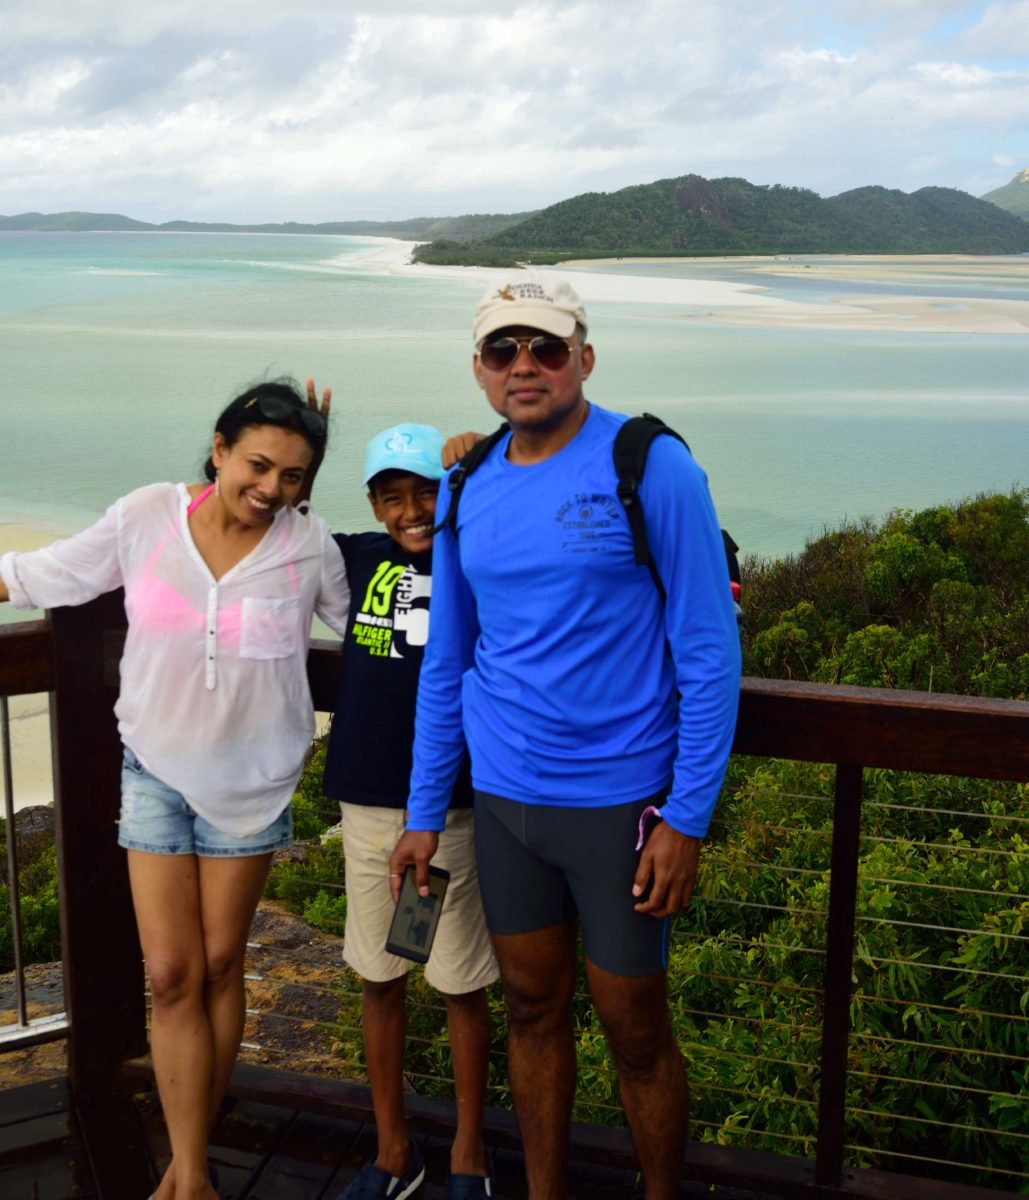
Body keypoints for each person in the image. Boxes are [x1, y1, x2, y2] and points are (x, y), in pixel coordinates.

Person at [389, 273, 741, 1200]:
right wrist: (425, 812)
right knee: (533, 1012)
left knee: (635, 1028)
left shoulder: (647, 462)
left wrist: (687, 817)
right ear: (479, 370)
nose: (526, 366)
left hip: (622, 806)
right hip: (507, 804)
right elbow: (448, 660)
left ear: (583, 357)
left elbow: (708, 651)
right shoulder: (464, 484)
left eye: (546, 348)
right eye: (504, 351)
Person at [0, 380, 349, 1200]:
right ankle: (188, 1176)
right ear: (220, 448)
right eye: (258, 464)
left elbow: (376, 620)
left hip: (254, 784)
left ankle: (191, 1158)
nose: (271, 489)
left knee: (222, 964)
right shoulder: (146, 515)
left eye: (293, 476)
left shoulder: (310, 546)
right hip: (152, 768)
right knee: (169, 975)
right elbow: (48, 573)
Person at [322, 423, 498, 1200]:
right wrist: (309, 445)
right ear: (371, 504)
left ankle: (469, 1150)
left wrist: (481, 452)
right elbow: (268, 518)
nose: (411, 510)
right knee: (377, 975)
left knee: (462, 982)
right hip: (365, 799)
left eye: (426, 491)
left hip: (455, 804)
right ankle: (393, 1148)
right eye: (393, 496)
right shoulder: (355, 557)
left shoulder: (477, 558)